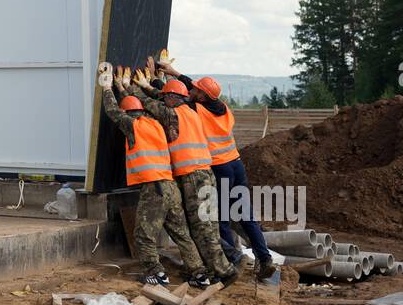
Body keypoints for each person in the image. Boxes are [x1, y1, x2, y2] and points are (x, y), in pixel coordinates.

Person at [159, 57, 277, 280]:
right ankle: (265, 258)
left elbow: (178, 98)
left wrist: (160, 84)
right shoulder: (224, 109)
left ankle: (231, 260)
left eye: (197, 90)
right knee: (246, 216)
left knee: (220, 218)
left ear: (201, 96)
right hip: (236, 164)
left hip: (221, 168)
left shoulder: (197, 109)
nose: (193, 90)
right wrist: (173, 72)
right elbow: (195, 89)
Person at [97, 63, 213, 287]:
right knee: (181, 233)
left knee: (143, 234)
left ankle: (156, 273)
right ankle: (199, 273)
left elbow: (113, 113)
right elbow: (152, 106)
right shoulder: (157, 124)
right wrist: (127, 89)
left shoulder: (133, 125)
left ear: (129, 113)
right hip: (171, 187)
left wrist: (107, 88)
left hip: (155, 188)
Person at [131, 67, 237, 286]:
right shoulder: (191, 110)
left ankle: (224, 271)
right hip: (205, 174)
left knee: (202, 227)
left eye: (166, 97)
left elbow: (149, 104)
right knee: (207, 225)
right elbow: (160, 99)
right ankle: (213, 269)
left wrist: (129, 88)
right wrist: (153, 84)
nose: (164, 99)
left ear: (172, 98)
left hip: (193, 177)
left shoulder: (172, 114)